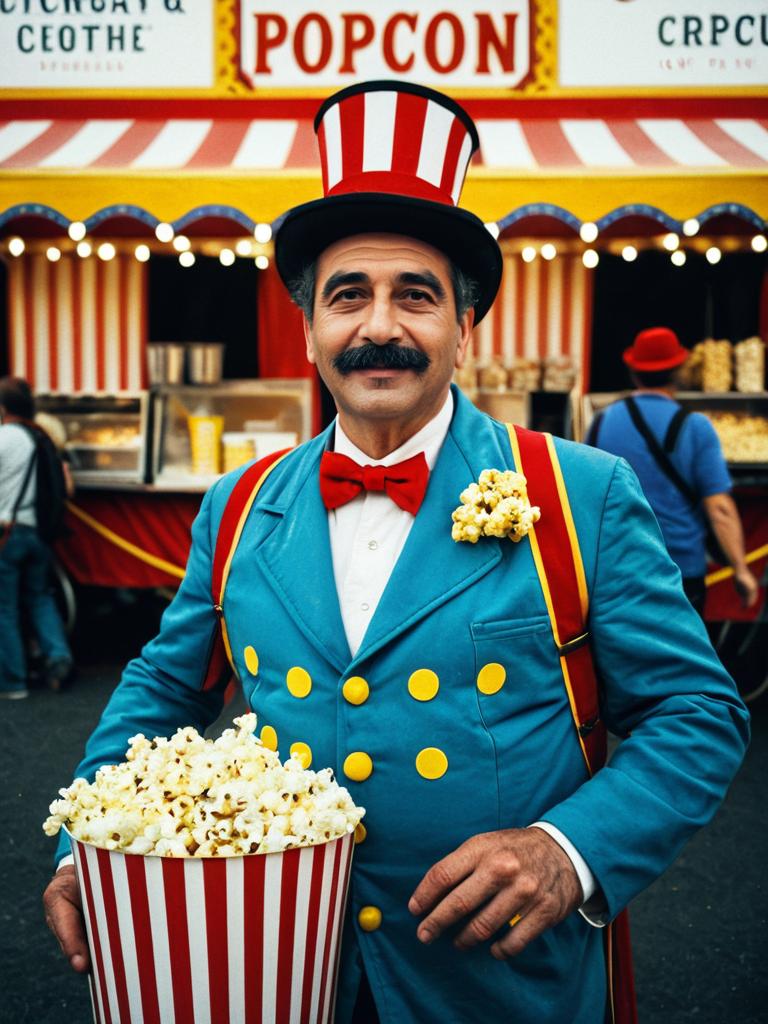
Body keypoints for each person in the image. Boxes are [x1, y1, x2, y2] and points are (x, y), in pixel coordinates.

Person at [43, 82, 748, 1024]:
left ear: (464, 330)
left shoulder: (581, 494)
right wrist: (88, 842)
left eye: (415, 295)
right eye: (349, 297)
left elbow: (697, 711)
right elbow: (164, 689)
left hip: (497, 984)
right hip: (284, 969)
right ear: (310, 332)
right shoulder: (238, 505)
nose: (379, 326)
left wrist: (567, 849)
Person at [586, 327, 759, 617]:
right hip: (679, 570)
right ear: (678, 371)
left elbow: (586, 495)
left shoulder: (602, 421)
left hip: (615, 568)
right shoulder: (696, 426)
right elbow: (719, 508)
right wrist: (740, 570)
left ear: (633, 372)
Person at [0, 377, 73, 698]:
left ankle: (13, 681)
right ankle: (59, 659)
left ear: (3, 408)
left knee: (5, 608)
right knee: (40, 597)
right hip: (38, 532)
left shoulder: (4, 438)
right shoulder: (40, 437)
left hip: (7, 532)